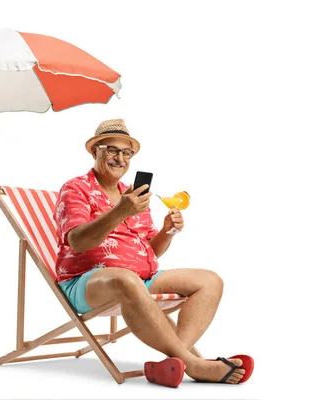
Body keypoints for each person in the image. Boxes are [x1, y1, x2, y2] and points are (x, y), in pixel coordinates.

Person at [53, 118, 252, 385]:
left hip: (141, 280)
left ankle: (174, 363)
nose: (119, 158)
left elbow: (151, 251)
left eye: (126, 152)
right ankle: (195, 365)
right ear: (94, 151)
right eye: (111, 149)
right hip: (87, 282)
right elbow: (77, 241)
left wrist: (166, 231)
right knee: (125, 278)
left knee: (209, 280)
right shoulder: (76, 188)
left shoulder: (134, 195)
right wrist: (119, 212)